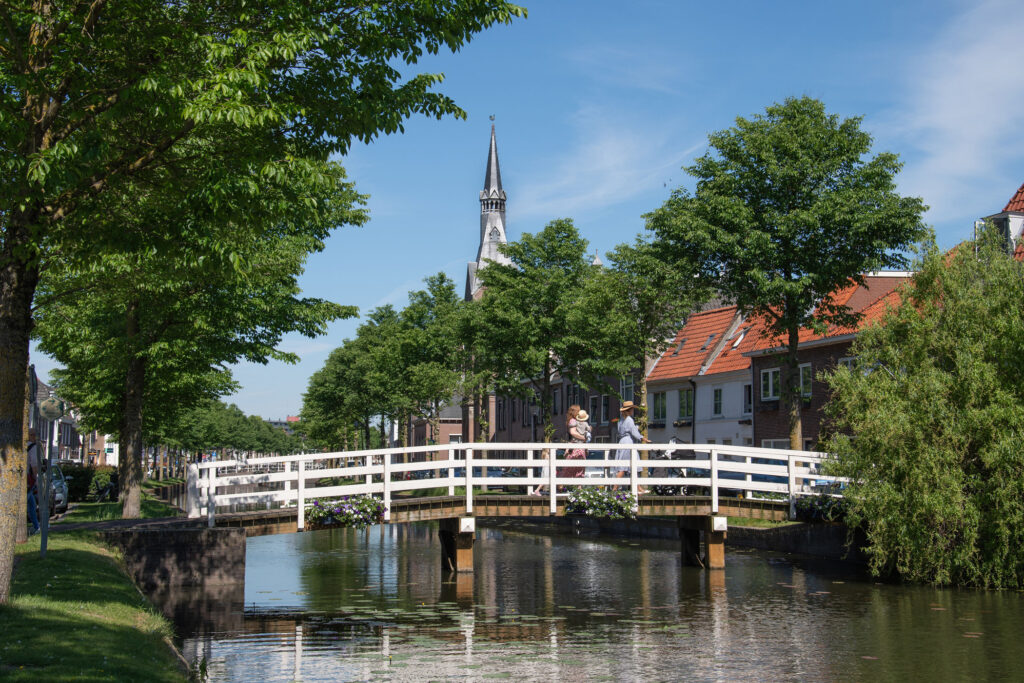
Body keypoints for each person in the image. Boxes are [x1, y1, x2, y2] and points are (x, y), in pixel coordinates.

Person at [614, 401, 649, 493]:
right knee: (626, 466)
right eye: (632, 409)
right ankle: (615, 488)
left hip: (622, 442)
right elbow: (634, 432)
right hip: (628, 442)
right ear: (629, 410)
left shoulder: (620, 420)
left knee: (629, 466)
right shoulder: (629, 420)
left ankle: (638, 488)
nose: (633, 410)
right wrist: (643, 438)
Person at [561, 405, 587, 479]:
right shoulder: (573, 421)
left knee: (573, 469)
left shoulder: (574, 421)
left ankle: (576, 488)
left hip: (576, 446)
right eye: (578, 411)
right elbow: (573, 432)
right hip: (576, 448)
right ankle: (576, 488)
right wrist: (584, 438)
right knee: (577, 468)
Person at [26, 428, 40, 535]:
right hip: (28, 479)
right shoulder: (33, 448)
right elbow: (34, 465)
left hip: (24, 478)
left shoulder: (22, 446)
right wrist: (36, 479)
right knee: (29, 502)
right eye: (35, 435)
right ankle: (36, 526)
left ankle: (36, 526)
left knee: (32, 504)